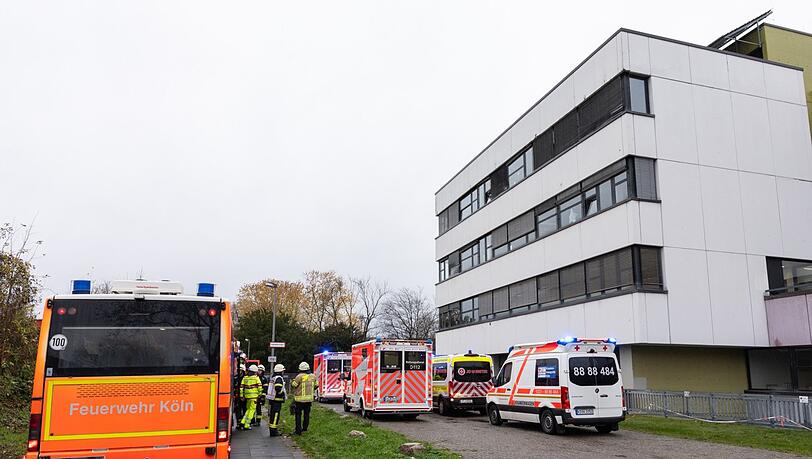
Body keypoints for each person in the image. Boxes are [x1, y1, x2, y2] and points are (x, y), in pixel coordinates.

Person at [290, 361, 318, 435]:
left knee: (298, 415)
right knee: (306, 414)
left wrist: (293, 381)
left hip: (299, 400)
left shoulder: (299, 376)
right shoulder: (313, 376)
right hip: (309, 399)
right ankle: (305, 428)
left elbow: (294, 385)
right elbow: (316, 385)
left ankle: (298, 431)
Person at [239, 364, 262, 430]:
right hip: (254, 397)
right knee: (252, 411)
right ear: (255, 372)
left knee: (248, 409)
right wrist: (260, 395)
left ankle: (243, 421)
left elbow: (241, 388)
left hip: (247, 397)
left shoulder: (245, 378)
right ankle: (247, 424)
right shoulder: (256, 378)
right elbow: (260, 387)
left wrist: (241, 396)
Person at [266, 363, 287, 436]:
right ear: (281, 371)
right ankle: (274, 431)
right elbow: (278, 388)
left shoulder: (273, 377)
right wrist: (282, 393)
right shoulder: (279, 378)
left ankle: (272, 430)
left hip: (272, 399)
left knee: (272, 415)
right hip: (277, 400)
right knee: (275, 416)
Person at [233, 364, 247, 429]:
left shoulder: (246, 378)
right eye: (239, 370)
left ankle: (244, 423)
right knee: (237, 410)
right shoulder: (235, 378)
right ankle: (238, 423)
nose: (240, 371)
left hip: (245, 396)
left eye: (241, 370)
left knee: (245, 409)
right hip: (237, 397)